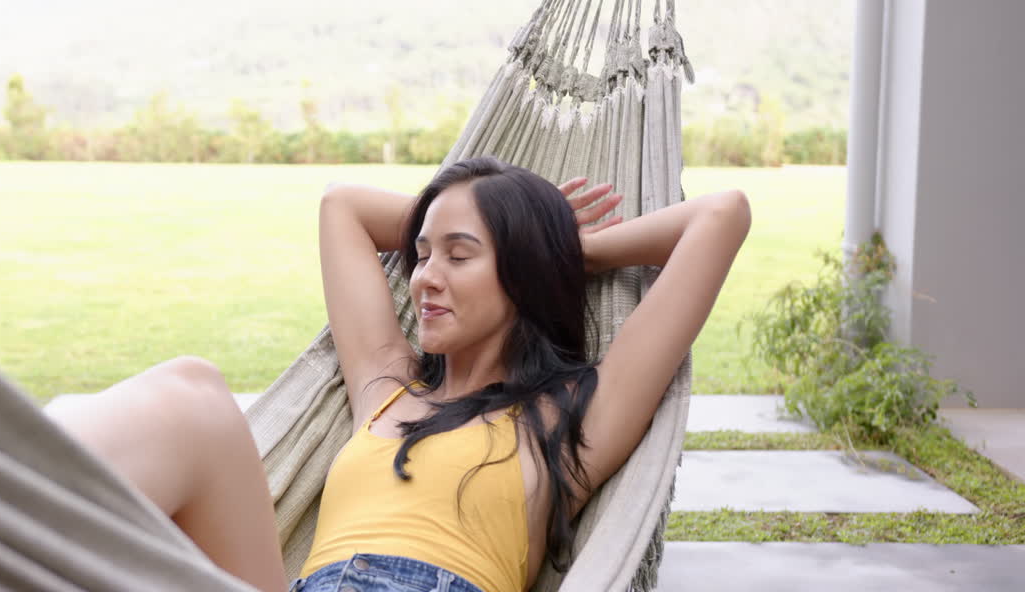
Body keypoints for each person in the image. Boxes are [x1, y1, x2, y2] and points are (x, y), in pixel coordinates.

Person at [46, 156, 751, 592]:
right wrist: (471, 233)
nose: (423, 279)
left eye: (459, 256)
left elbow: (721, 217)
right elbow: (342, 207)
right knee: (191, 393)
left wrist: (566, 248)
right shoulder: (386, 390)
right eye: (421, 254)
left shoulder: (567, 421)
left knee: (191, 392)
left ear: (525, 272)